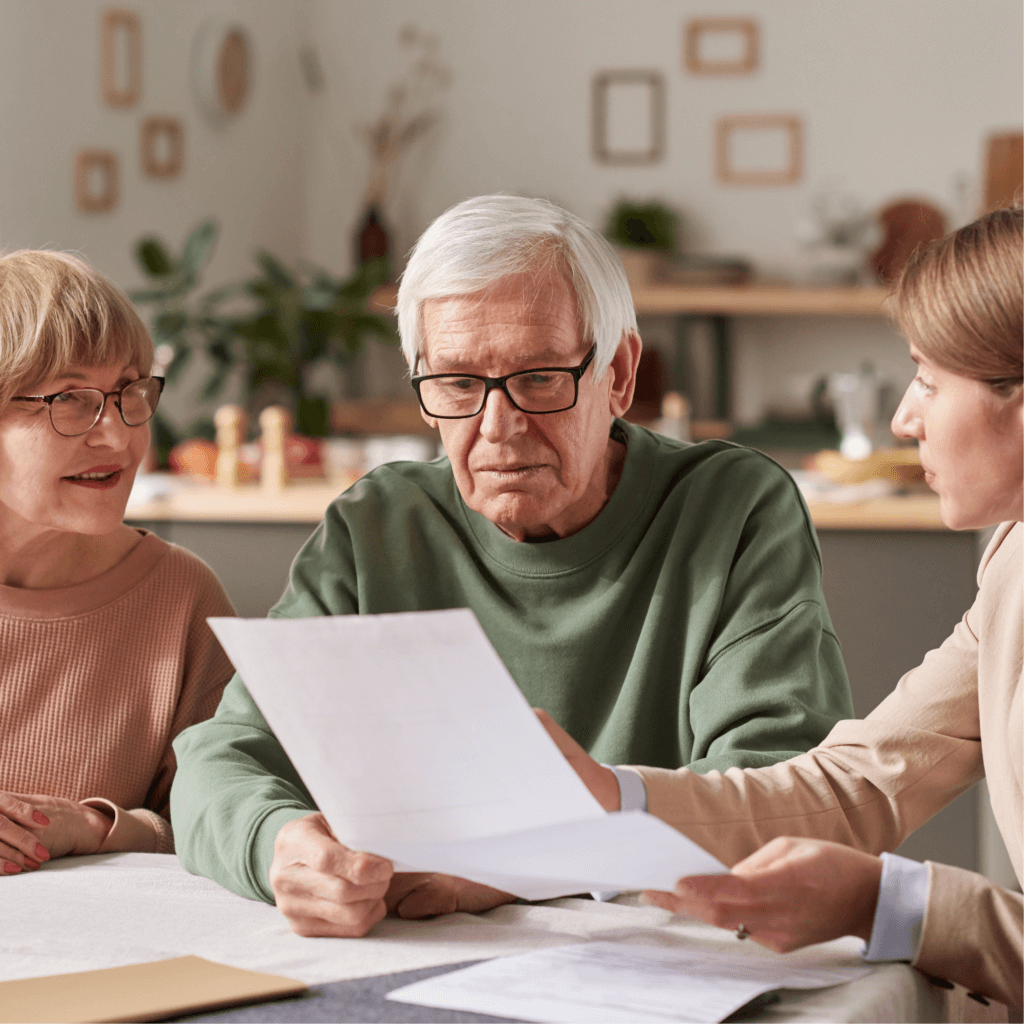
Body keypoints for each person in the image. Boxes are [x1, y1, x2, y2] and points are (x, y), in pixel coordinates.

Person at [171, 194, 854, 937]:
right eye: (459, 385)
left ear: (619, 374)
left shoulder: (733, 508)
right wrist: (277, 846)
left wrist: (524, 868)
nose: (499, 428)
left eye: (538, 378)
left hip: (660, 961)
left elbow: (781, 796)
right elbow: (219, 760)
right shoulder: (379, 526)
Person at [539, 206, 1022, 1012]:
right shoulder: (1013, 563)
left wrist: (892, 906)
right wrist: (613, 799)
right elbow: (859, 783)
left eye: (931, 382)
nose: (905, 420)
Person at [0, 249, 235, 870]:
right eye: (71, 399)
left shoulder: (182, 596)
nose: (119, 435)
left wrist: (94, 826)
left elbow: (230, 824)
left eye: (129, 391)